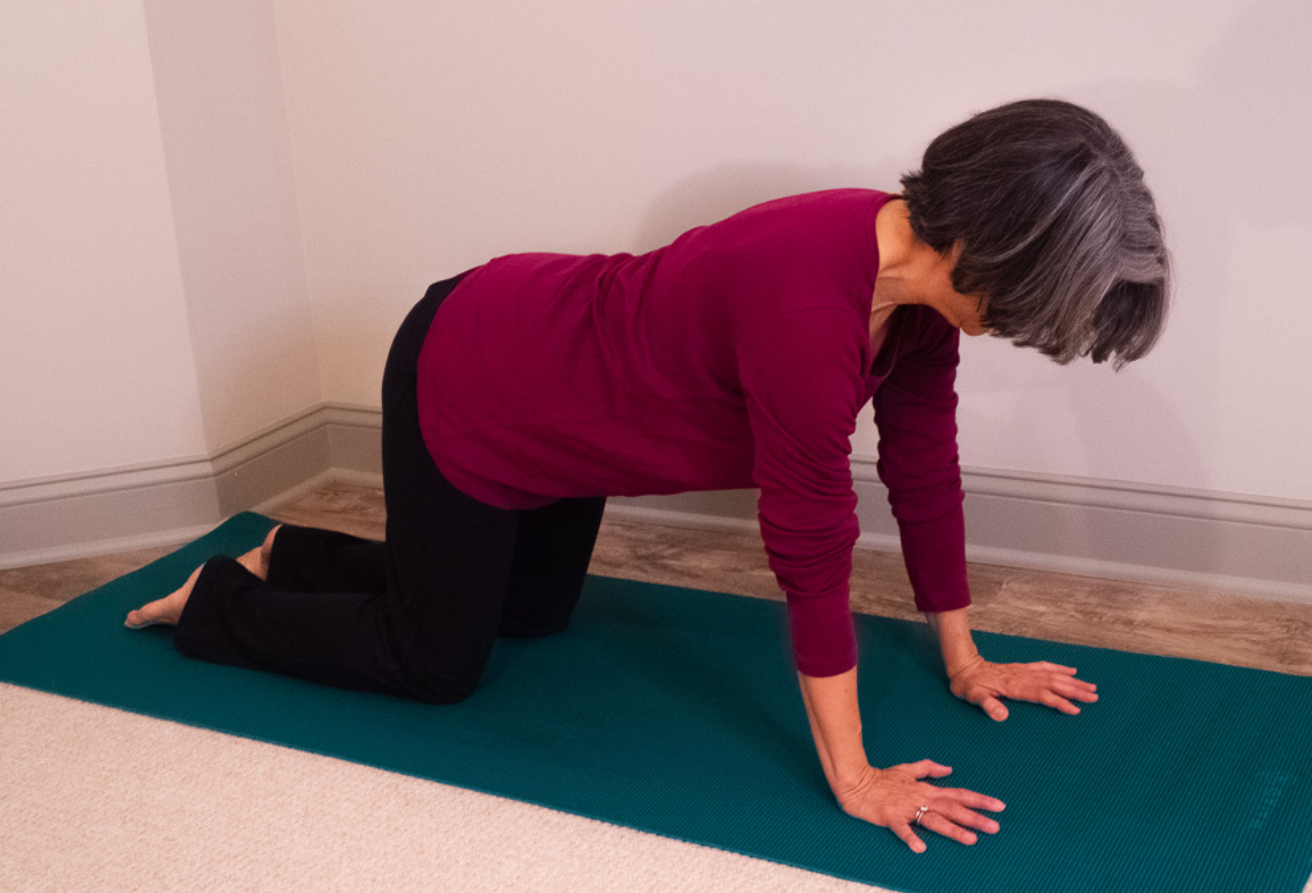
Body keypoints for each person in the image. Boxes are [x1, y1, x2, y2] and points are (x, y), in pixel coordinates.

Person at [126, 98, 1170, 853]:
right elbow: (811, 547)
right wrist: (852, 777)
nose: (1030, 336)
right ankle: (221, 600)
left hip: (577, 427)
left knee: (534, 616)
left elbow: (920, 462)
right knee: (434, 664)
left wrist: (963, 654)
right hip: (480, 375)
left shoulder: (913, 291)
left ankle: (296, 549)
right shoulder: (809, 299)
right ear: (988, 248)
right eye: (1037, 308)